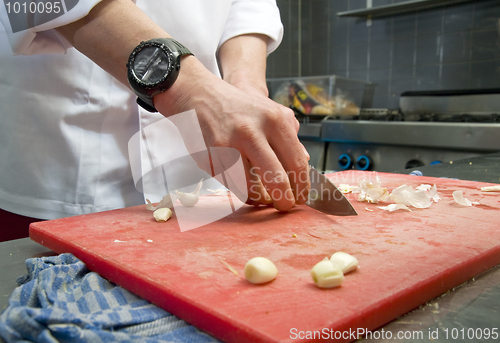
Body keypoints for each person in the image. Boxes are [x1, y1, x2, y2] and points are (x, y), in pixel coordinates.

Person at [0, 0, 311, 240]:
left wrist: (246, 89)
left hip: (199, 190)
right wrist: (191, 89)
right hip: (57, 175)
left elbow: (249, 5)